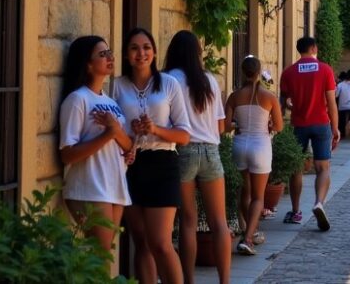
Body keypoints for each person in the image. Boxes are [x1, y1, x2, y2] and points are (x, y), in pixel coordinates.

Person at [112, 28, 191, 284]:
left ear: (155, 52)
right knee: (140, 241)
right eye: (134, 48)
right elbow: (113, 126)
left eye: (146, 47)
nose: (141, 53)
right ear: (126, 54)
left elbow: (184, 134)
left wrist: (155, 129)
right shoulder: (117, 86)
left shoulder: (169, 84)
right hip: (131, 165)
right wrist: (130, 130)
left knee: (160, 242)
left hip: (162, 163)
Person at [58, 36, 133, 274]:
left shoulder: (110, 101)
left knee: (103, 256)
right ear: (88, 64)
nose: (110, 57)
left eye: (109, 52)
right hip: (89, 186)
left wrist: (118, 134)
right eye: (102, 54)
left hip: (114, 186)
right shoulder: (77, 99)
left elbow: (126, 144)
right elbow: (67, 154)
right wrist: (108, 134)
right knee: (100, 260)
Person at [164, 31, 229, 284]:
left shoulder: (169, 79)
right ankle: (225, 280)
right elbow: (221, 126)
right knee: (219, 222)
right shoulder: (210, 80)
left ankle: (188, 280)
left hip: (183, 151)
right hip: (211, 152)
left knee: (188, 222)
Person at [279, 36, 339, 231]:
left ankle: (296, 211)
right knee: (323, 167)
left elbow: (285, 101)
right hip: (321, 123)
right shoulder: (325, 70)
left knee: (296, 168)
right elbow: (331, 102)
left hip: (299, 124)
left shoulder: (288, 73)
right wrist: (335, 128)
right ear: (313, 48)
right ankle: (319, 202)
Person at [226, 56, 284, 255]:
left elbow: (225, 126)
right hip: (260, 144)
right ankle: (248, 238)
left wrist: (238, 125)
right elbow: (279, 126)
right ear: (259, 72)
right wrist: (268, 125)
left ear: (242, 72)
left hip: (240, 144)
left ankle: (248, 229)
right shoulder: (269, 96)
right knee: (258, 197)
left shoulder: (234, 96)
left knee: (245, 191)